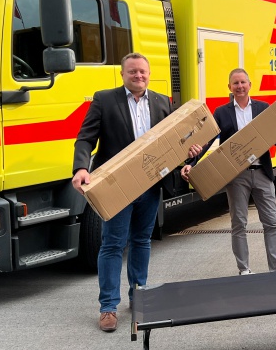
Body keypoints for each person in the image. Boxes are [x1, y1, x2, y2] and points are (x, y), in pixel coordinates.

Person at [72, 53, 202, 333]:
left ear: (149, 73)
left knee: (142, 241)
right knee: (112, 244)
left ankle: (138, 295)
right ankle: (108, 307)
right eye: (132, 72)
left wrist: (188, 156)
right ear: (122, 74)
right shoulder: (104, 99)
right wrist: (82, 167)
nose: (138, 76)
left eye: (142, 72)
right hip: (116, 185)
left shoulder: (161, 102)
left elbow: (174, 143)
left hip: (150, 185)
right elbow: (86, 137)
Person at [181, 68, 276, 275]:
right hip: (236, 176)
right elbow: (207, 140)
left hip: (262, 172)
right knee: (239, 223)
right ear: (229, 87)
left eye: (243, 83)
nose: (240, 87)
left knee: (272, 223)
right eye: (235, 83)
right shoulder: (222, 112)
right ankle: (244, 270)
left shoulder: (263, 108)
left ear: (250, 85)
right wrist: (192, 162)